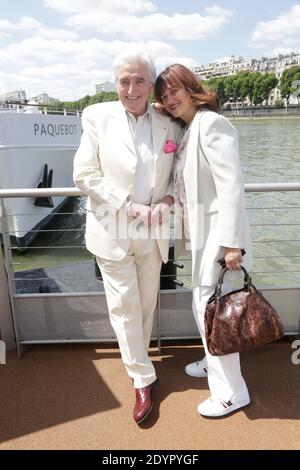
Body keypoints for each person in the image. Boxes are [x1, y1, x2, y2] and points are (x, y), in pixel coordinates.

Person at [73, 49, 182, 424]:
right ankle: (141, 377)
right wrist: (128, 205)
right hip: (112, 230)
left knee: (146, 305)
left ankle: (139, 362)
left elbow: (173, 174)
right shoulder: (96, 116)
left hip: (152, 233)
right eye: (124, 81)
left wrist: (168, 199)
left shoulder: (167, 120)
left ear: (150, 85)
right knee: (124, 307)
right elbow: (84, 175)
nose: (131, 88)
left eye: (139, 80)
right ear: (115, 83)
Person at [154, 64, 252, 418]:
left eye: (174, 91)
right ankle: (215, 363)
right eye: (163, 96)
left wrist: (232, 243)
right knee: (206, 308)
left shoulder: (211, 123)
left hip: (219, 239)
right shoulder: (189, 128)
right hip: (203, 236)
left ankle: (231, 393)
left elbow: (231, 185)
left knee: (213, 312)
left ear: (191, 87)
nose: (169, 99)